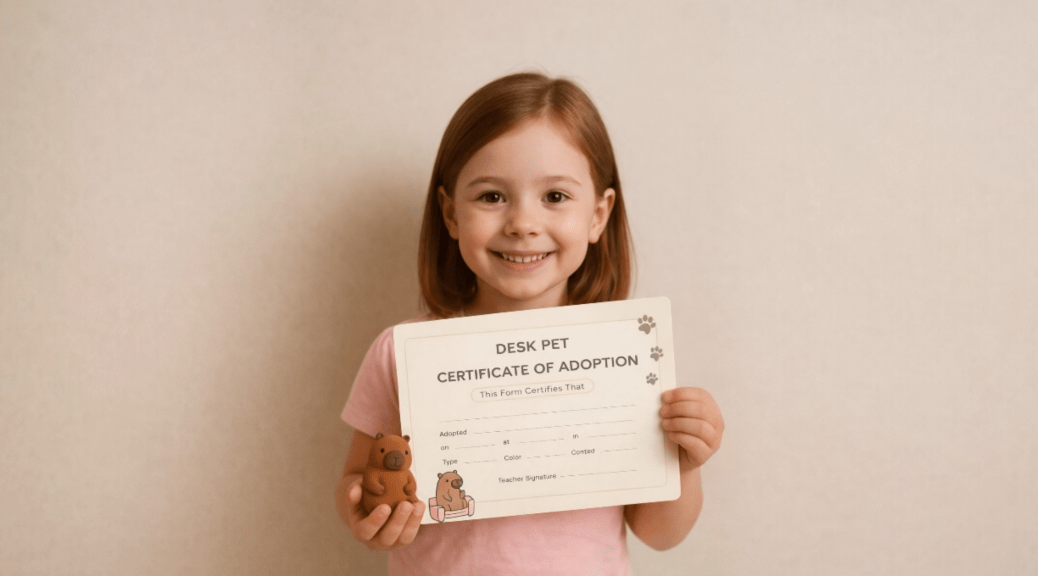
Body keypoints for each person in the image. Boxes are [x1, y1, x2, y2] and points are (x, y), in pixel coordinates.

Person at [335, 72, 724, 575]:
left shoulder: (631, 357)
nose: (522, 223)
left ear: (598, 215)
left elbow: (659, 533)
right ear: (451, 214)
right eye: (492, 197)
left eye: (555, 197)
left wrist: (685, 461)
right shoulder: (402, 354)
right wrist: (368, 513)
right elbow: (357, 486)